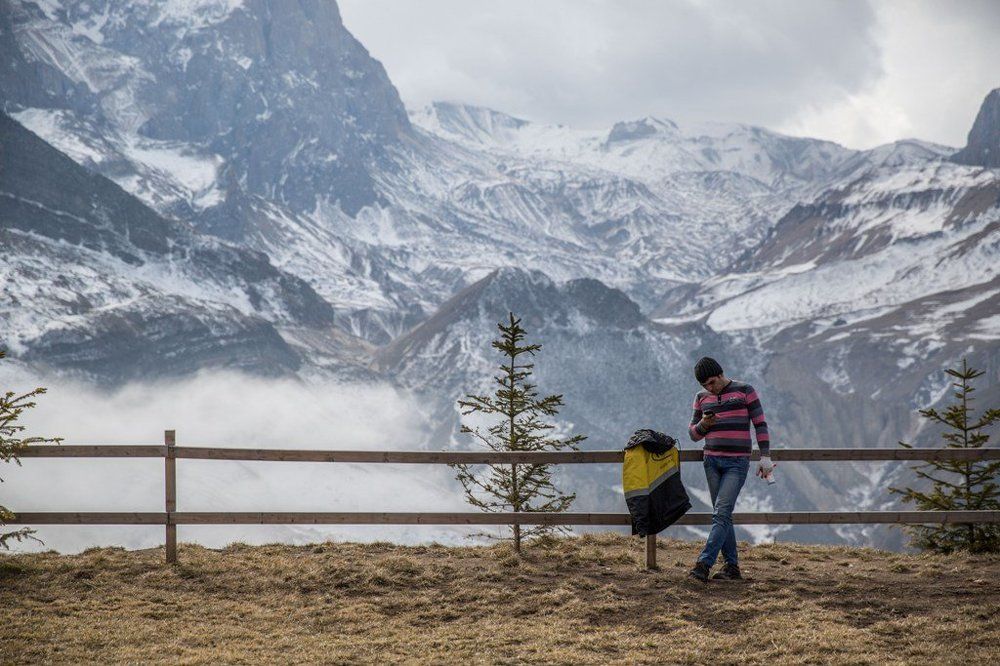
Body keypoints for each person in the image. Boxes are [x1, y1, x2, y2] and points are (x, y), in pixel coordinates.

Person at [686, 356, 774, 582]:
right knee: (723, 515)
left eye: (712, 382)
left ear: (720, 374)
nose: (710, 388)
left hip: (737, 462)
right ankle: (732, 568)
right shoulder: (701, 398)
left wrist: (765, 456)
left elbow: (760, 424)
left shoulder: (745, 390)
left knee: (721, 513)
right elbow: (693, 435)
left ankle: (703, 565)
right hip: (711, 461)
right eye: (705, 385)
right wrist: (704, 425)